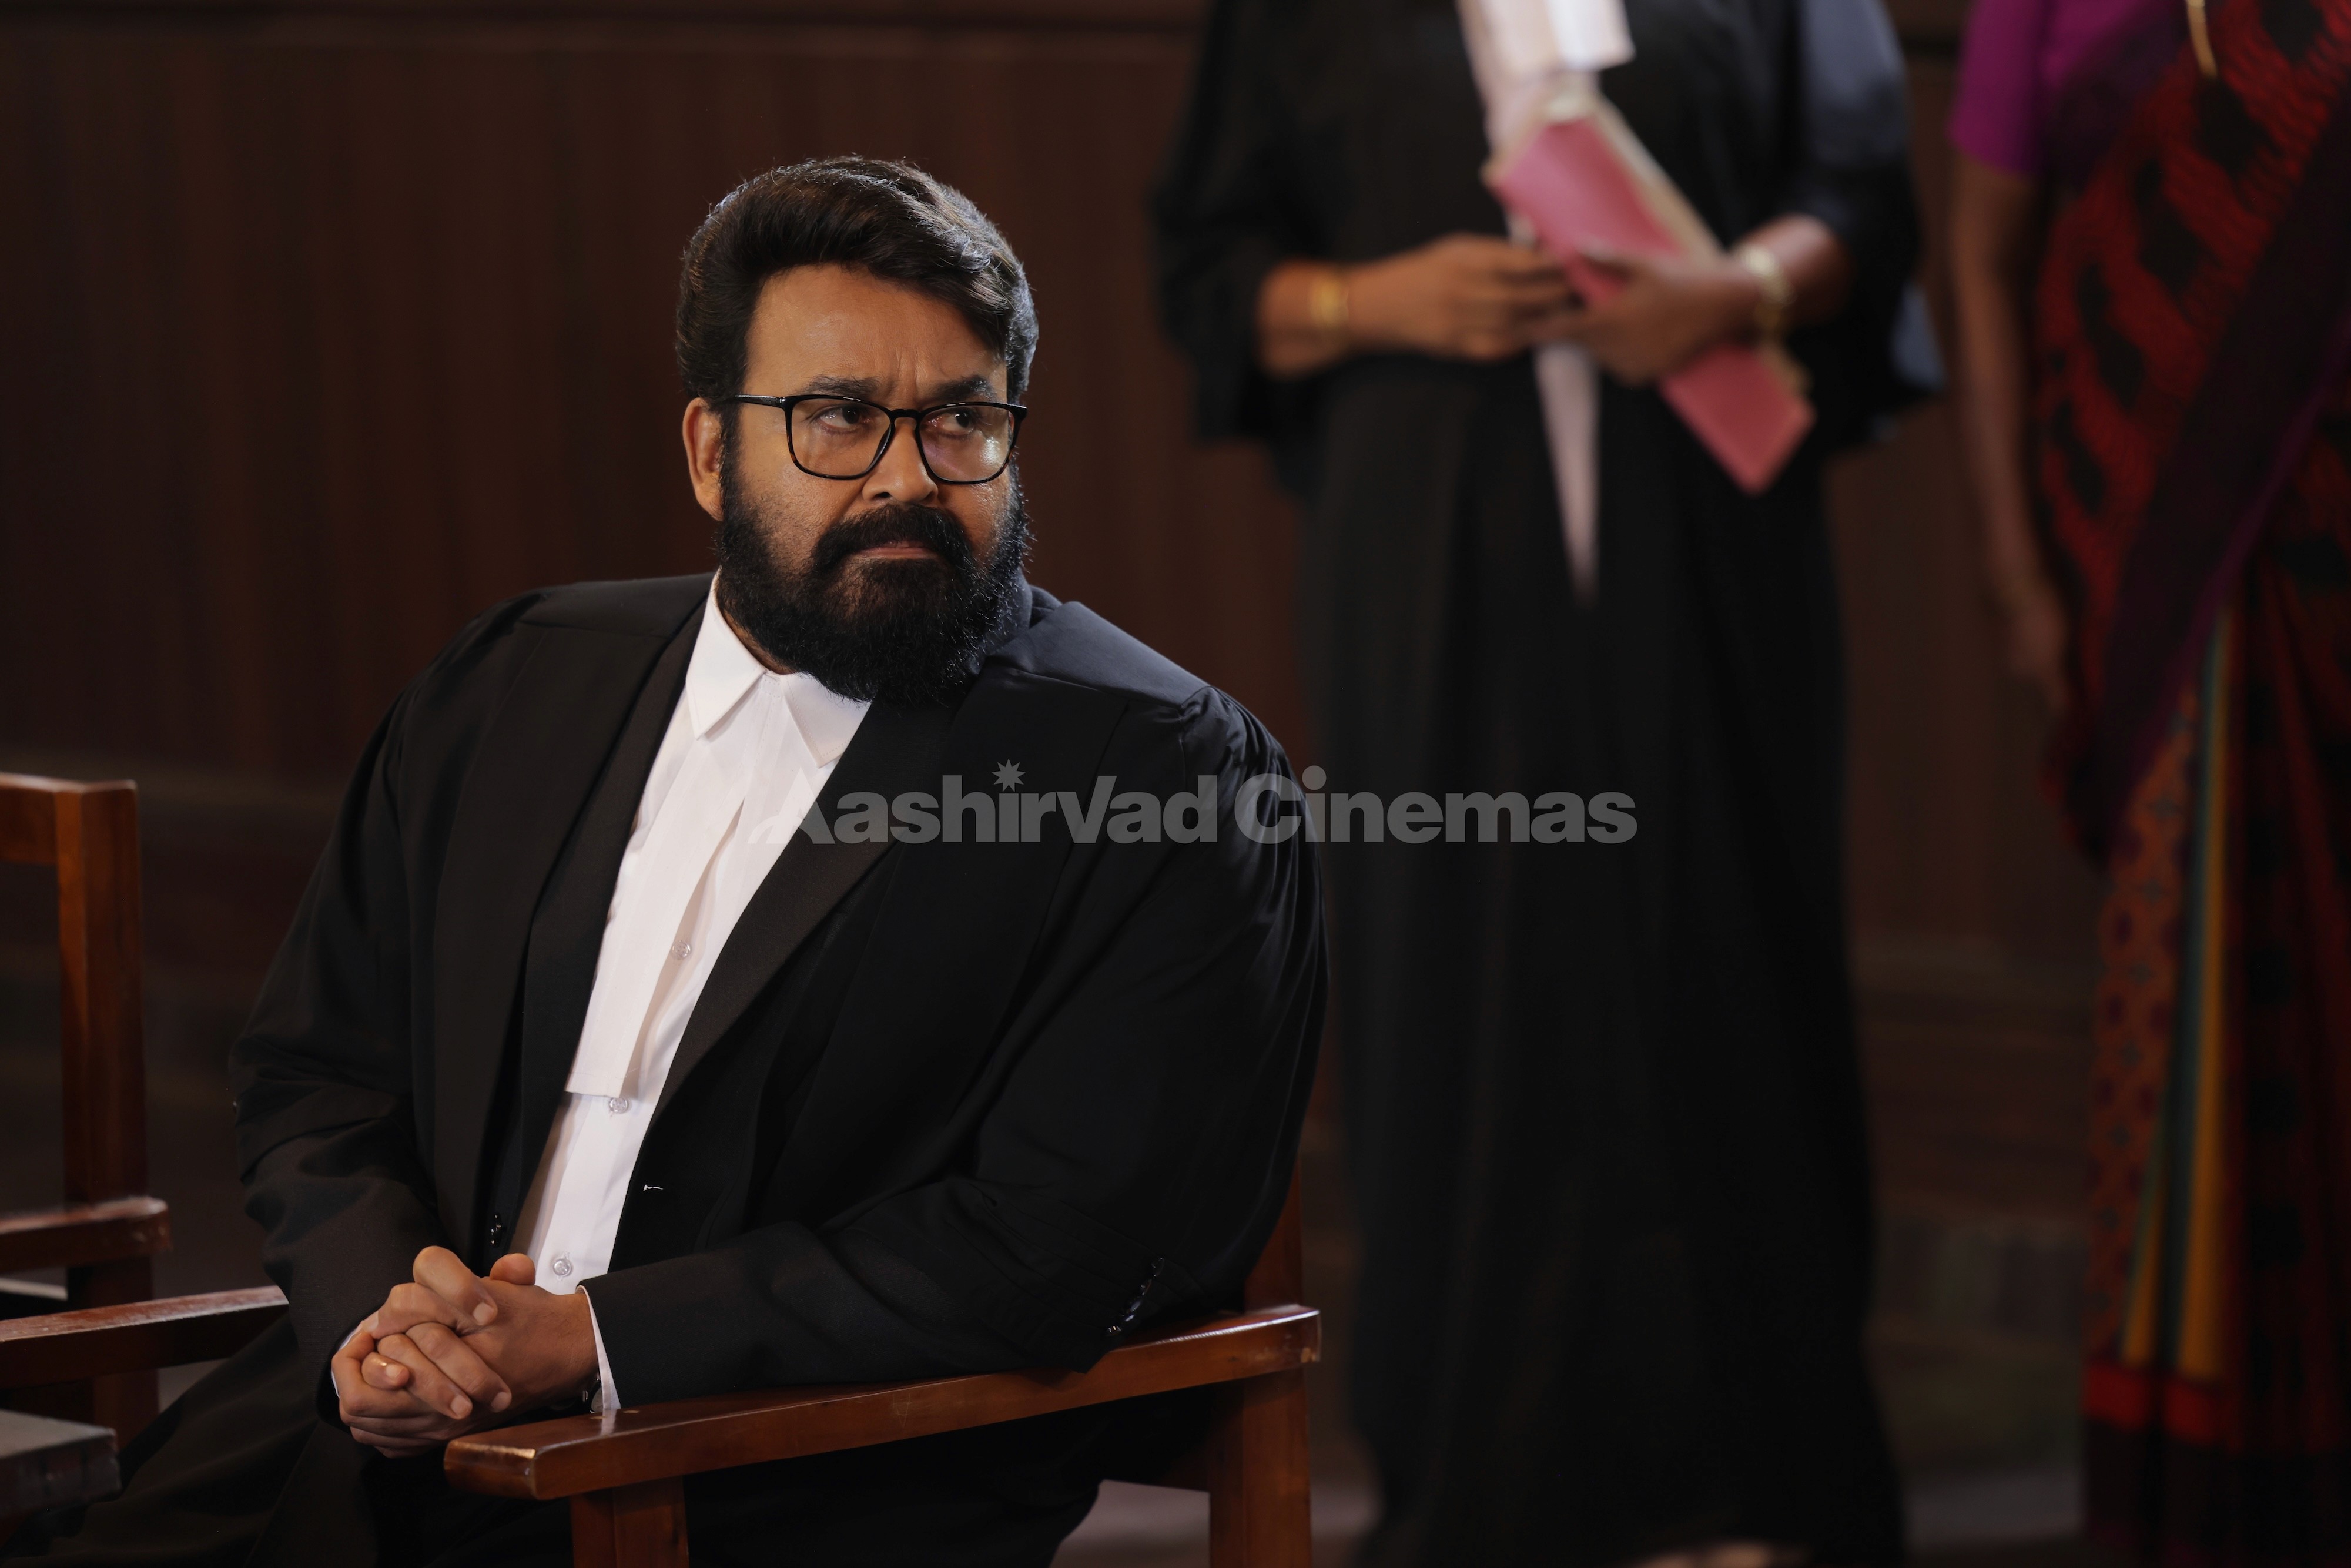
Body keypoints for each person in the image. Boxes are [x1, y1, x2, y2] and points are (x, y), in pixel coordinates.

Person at [9, 156, 1325, 1567]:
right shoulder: (511, 682)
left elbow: (1057, 1243)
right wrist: (384, 1317)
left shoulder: (1158, 773)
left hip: (788, 1474)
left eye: (961, 420)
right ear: (709, 452)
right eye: (837, 418)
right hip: (367, 1436)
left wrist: (590, 1340)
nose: (907, 476)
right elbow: (319, 1066)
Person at [1152, 2, 1937, 1563]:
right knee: (1460, 989)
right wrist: (1381, 298)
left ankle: (1769, 1486)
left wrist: (1735, 287)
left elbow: (1861, 197)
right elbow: (1213, 273)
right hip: (1430, 555)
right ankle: (1490, 1497)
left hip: (1706, 536)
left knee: (1738, 965)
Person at [1947, 0, 2351, 1553]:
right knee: (2198, 1015)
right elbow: (1980, 257)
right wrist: (2015, 571)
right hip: (2164, 569)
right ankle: (2215, 1499)